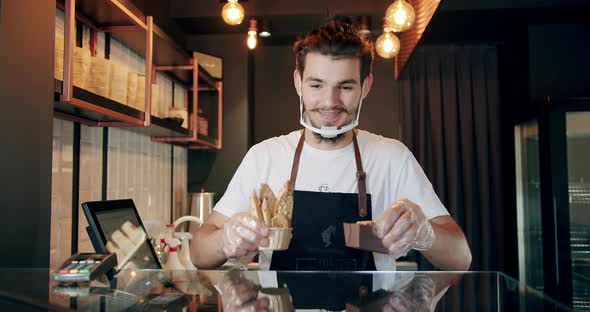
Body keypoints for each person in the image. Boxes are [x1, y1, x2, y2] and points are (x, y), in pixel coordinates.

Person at [190, 17, 471, 271]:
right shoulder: (264, 157)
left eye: (345, 87)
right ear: (298, 83)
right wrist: (224, 241)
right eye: (316, 85)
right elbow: (199, 252)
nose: (330, 102)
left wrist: (425, 233)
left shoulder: (392, 157)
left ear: (366, 86)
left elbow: (461, 257)